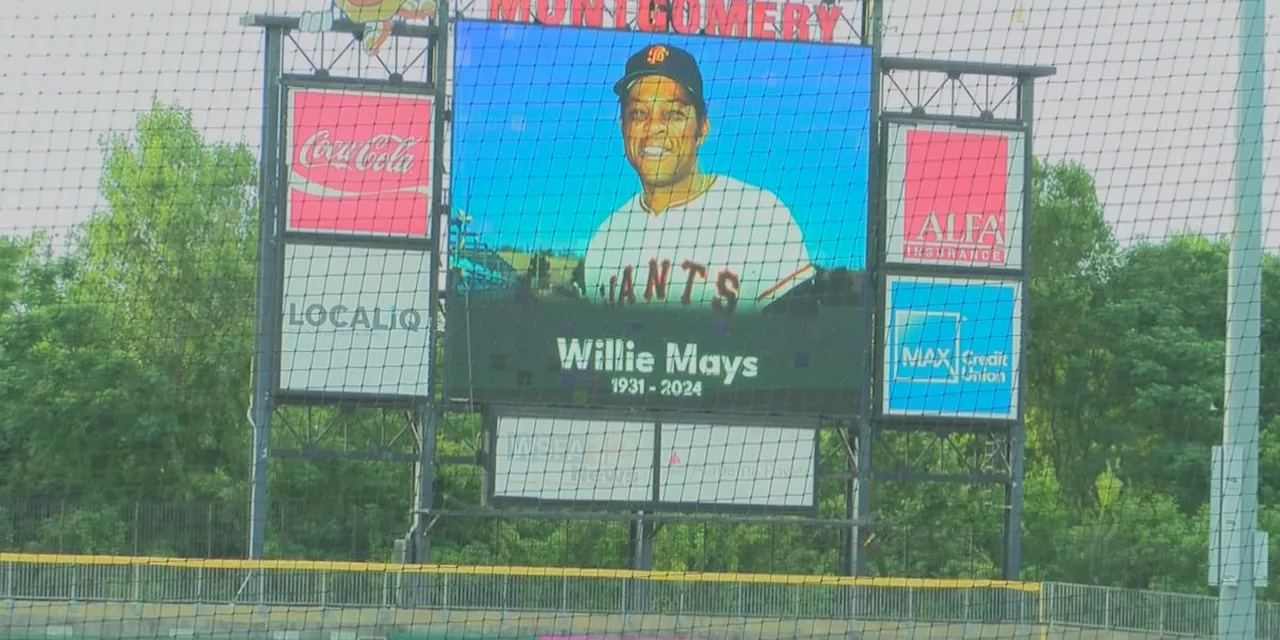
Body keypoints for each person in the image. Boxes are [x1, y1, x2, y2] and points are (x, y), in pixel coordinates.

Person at [579, 44, 815, 314]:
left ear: (702, 129)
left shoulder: (760, 215)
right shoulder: (605, 239)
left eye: (674, 114)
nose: (654, 127)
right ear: (623, 127)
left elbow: (802, 344)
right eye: (639, 113)